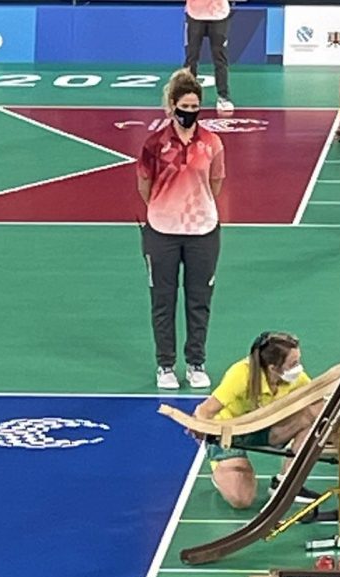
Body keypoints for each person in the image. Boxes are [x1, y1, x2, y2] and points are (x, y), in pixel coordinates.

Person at [137, 69, 224, 390]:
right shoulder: (154, 144)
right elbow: (144, 185)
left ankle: (196, 363)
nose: (190, 112)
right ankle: (165, 365)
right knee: (163, 300)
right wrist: (167, 207)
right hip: (162, 231)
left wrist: (197, 206)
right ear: (172, 106)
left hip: (203, 230)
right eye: (184, 107)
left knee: (198, 300)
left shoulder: (212, 143)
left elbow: (216, 181)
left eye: (195, 107)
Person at [192, 332, 322, 508]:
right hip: (230, 436)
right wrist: (200, 428)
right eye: (293, 364)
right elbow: (204, 410)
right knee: (241, 500)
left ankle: (284, 482)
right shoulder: (241, 374)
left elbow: (320, 407)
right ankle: (222, 471)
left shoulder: (296, 378)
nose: (299, 368)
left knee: (314, 411)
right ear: (273, 368)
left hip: (264, 429)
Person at [184, 0, 234, 113]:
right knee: (191, 58)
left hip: (219, 14)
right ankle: (187, 95)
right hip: (195, 14)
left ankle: (223, 97)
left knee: (220, 59)